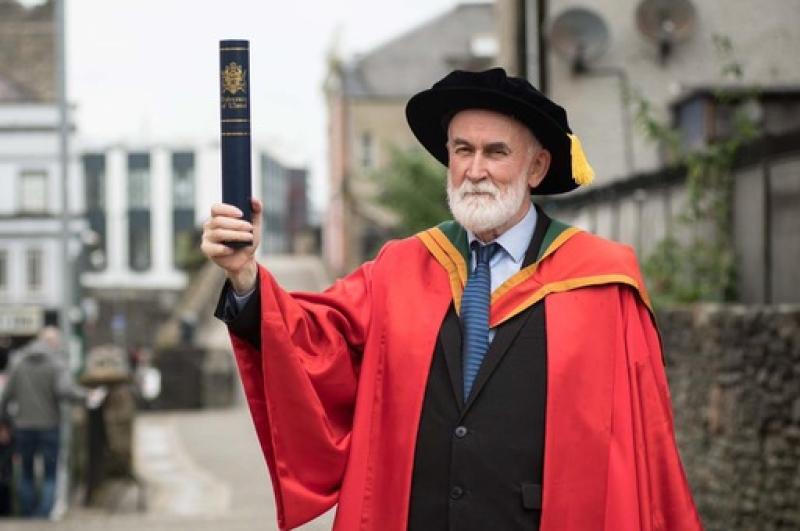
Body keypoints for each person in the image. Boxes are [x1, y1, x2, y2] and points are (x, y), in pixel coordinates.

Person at [202, 68, 702, 530]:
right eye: (463, 150)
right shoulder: (402, 267)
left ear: (537, 167)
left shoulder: (601, 282)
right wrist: (247, 278)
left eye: (496, 152)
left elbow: (644, 447)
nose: (475, 169)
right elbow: (313, 342)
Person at [0, 327, 86, 518]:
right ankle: (43, 516)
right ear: (53, 342)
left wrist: (4, 422)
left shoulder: (18, 361)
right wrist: (87, 396)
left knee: (26, 471)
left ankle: (28, 513)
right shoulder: (56, 363)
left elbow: (6, 396)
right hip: (49, 425)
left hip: (23, 426)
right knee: (50, 472)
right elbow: (65, 390)